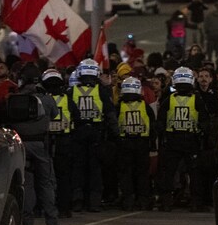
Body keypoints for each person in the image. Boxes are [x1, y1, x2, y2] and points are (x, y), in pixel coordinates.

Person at [10, 64, 66, 225]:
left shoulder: (15, 98)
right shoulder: (47, 99)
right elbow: (55, 115)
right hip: (41, 146)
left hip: (22, 146)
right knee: (46, 184)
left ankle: (27, 224)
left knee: (26, 185)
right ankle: (52, 223)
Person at [157, 67, 210, 211]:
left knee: (168, 172)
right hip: (191, 140)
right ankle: (195, 203)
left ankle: (166, 202)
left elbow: (160, 121)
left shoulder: (168, 100)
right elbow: (205, 121)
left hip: (173, 140)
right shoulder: (197, 99)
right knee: (194, 173)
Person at [71, 59, 117, 212]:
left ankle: (78, 200)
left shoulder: (72, 91)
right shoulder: (102, 91)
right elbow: (110, 115)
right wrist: (115, 135)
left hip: (77, 134)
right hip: (96, 134)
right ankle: (94, 202)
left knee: (78, 168)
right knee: (95, 170)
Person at [116, 76, 156, 211]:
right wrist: (153, 144)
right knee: (142, 174)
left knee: (126, 173)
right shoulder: (144, 106)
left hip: (124, 144)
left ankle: (128, 200)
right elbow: (153, 126)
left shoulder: (119, 106)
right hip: (142, 144)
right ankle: (143, 200)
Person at [44, 69, 76, 217]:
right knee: (64, 176)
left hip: (47, 141)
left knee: (46, 177)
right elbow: (78, 117)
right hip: (64, 141)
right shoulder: (67, 99)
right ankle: (64, 208)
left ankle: (46, 207)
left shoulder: (43, 100)